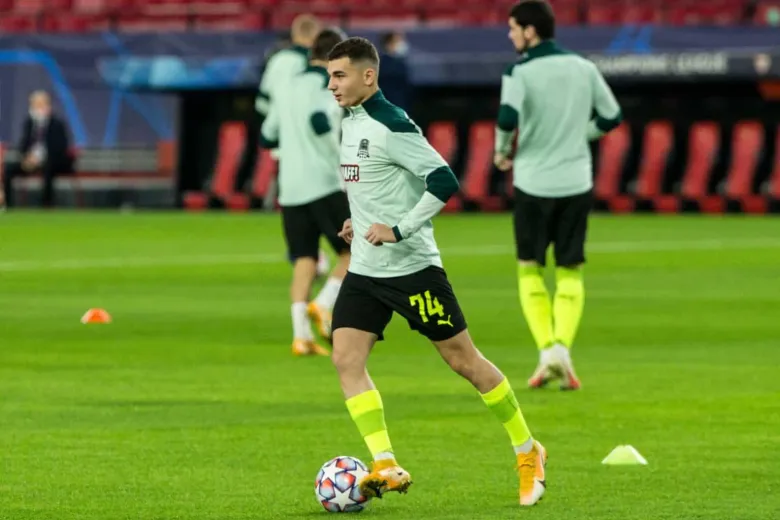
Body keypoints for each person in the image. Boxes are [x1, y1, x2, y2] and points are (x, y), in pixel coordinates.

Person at [326, 37, 547, 507]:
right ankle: (384, 463)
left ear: (368, 75)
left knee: (464, 361)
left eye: (340, 75)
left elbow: (444, 180)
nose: (332, 85)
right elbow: (376, 187)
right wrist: (357, 221)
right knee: (345, 358)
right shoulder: (350, 122)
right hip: (365, 270)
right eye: (330, 76)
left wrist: (399, 229)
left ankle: (527, 449)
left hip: (412, 270)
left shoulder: (393, 123)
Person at [493, 0, 622, 390]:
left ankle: (547, 350)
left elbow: (507, 117)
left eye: (513, 28)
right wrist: (580, 136)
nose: (510, 35)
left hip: (533, 182)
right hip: (576, 182)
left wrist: (501, 151)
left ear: (530, 31)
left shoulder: (519, 71)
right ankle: (561, 350)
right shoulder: (583, 67)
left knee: (529, 267)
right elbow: (611, 116)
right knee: (570, 269)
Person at [260, 28, 350, 357]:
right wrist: (338, 155)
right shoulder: (327, 85)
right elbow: (319, 121)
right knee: (357, 252)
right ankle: (324, 304)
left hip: (291, 187)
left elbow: (267, 135)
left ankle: (301, 337)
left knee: (305, 258)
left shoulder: (287, 86)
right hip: (324, 182)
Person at [254, 14, 331, 278]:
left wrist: (277, 126)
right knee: (323, 195)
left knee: (292, 197)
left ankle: (304, 252)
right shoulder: (314, 66)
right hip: (314, 143)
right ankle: (315, 252)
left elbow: (262, 102)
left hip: (284, 141)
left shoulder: (277, 61)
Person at [2, 90, 74, 208]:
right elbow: (23, 145)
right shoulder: (29, 124)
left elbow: (60, 148)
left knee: (48, 168)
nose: (37, 108)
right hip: (32, 161)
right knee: (9, 169)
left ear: (48, 105)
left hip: (53, 161)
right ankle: (8, 205)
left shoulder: (57, 124)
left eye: (40, 105)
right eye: (34, 105)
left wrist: (40, 158)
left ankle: (46, 205)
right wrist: (27, 157)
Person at [377, 31, 412, 112]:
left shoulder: (400, 63)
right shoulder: (382, 64)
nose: (402, 44)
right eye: (398, 41)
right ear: (389, 44)